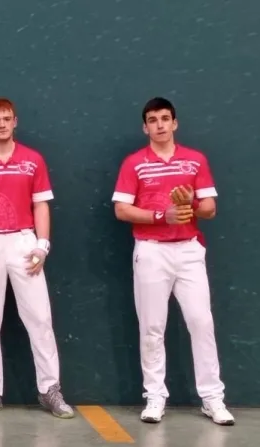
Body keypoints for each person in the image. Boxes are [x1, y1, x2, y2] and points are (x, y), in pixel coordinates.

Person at [111, 97, 234, 425]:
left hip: (189, 251)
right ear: (145, 127)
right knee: (152, 327)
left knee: (201, 322)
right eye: (153, 120)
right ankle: (154, 397)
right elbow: (121, 209)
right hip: (151, 251)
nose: (160, 125)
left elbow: (210, 209)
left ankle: (213, 398)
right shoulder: (134, 163)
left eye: (165, 118)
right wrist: (160, 216)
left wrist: (189, 205)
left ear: (175, 123)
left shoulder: (195, 160)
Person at [0, 98, 74, 419]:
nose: (2, 124)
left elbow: (40, 205)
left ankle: (50, 390)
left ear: (15, 121)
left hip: (24, 242)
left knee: (40, 319)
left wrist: (42, 245)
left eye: (7, 118)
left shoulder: (33, 160)